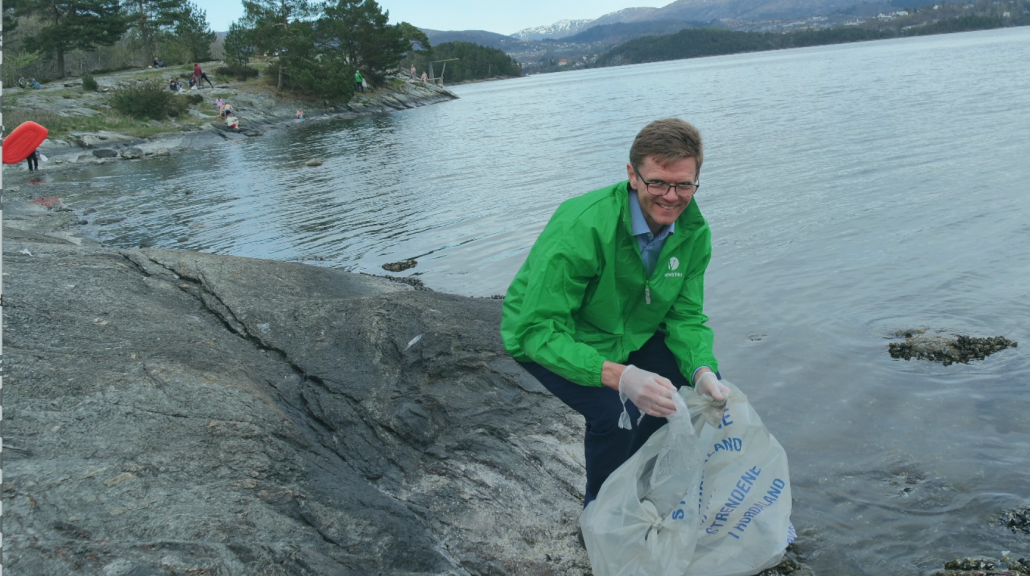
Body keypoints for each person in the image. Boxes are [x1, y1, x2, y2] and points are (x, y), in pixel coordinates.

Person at [500, 118, 730, 507]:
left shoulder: (694, 233)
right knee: (615, 414)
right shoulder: (582, 225)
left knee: (690, 388)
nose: (671, 197)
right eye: (657, 181)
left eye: (684, 184)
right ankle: (600, 513)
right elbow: (536, 329)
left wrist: (703, 370)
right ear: (632, 175)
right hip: (553, 337)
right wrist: (620, 377)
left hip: (629, 332)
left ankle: (639, 480)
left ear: (696, 179)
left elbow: (684, 317)